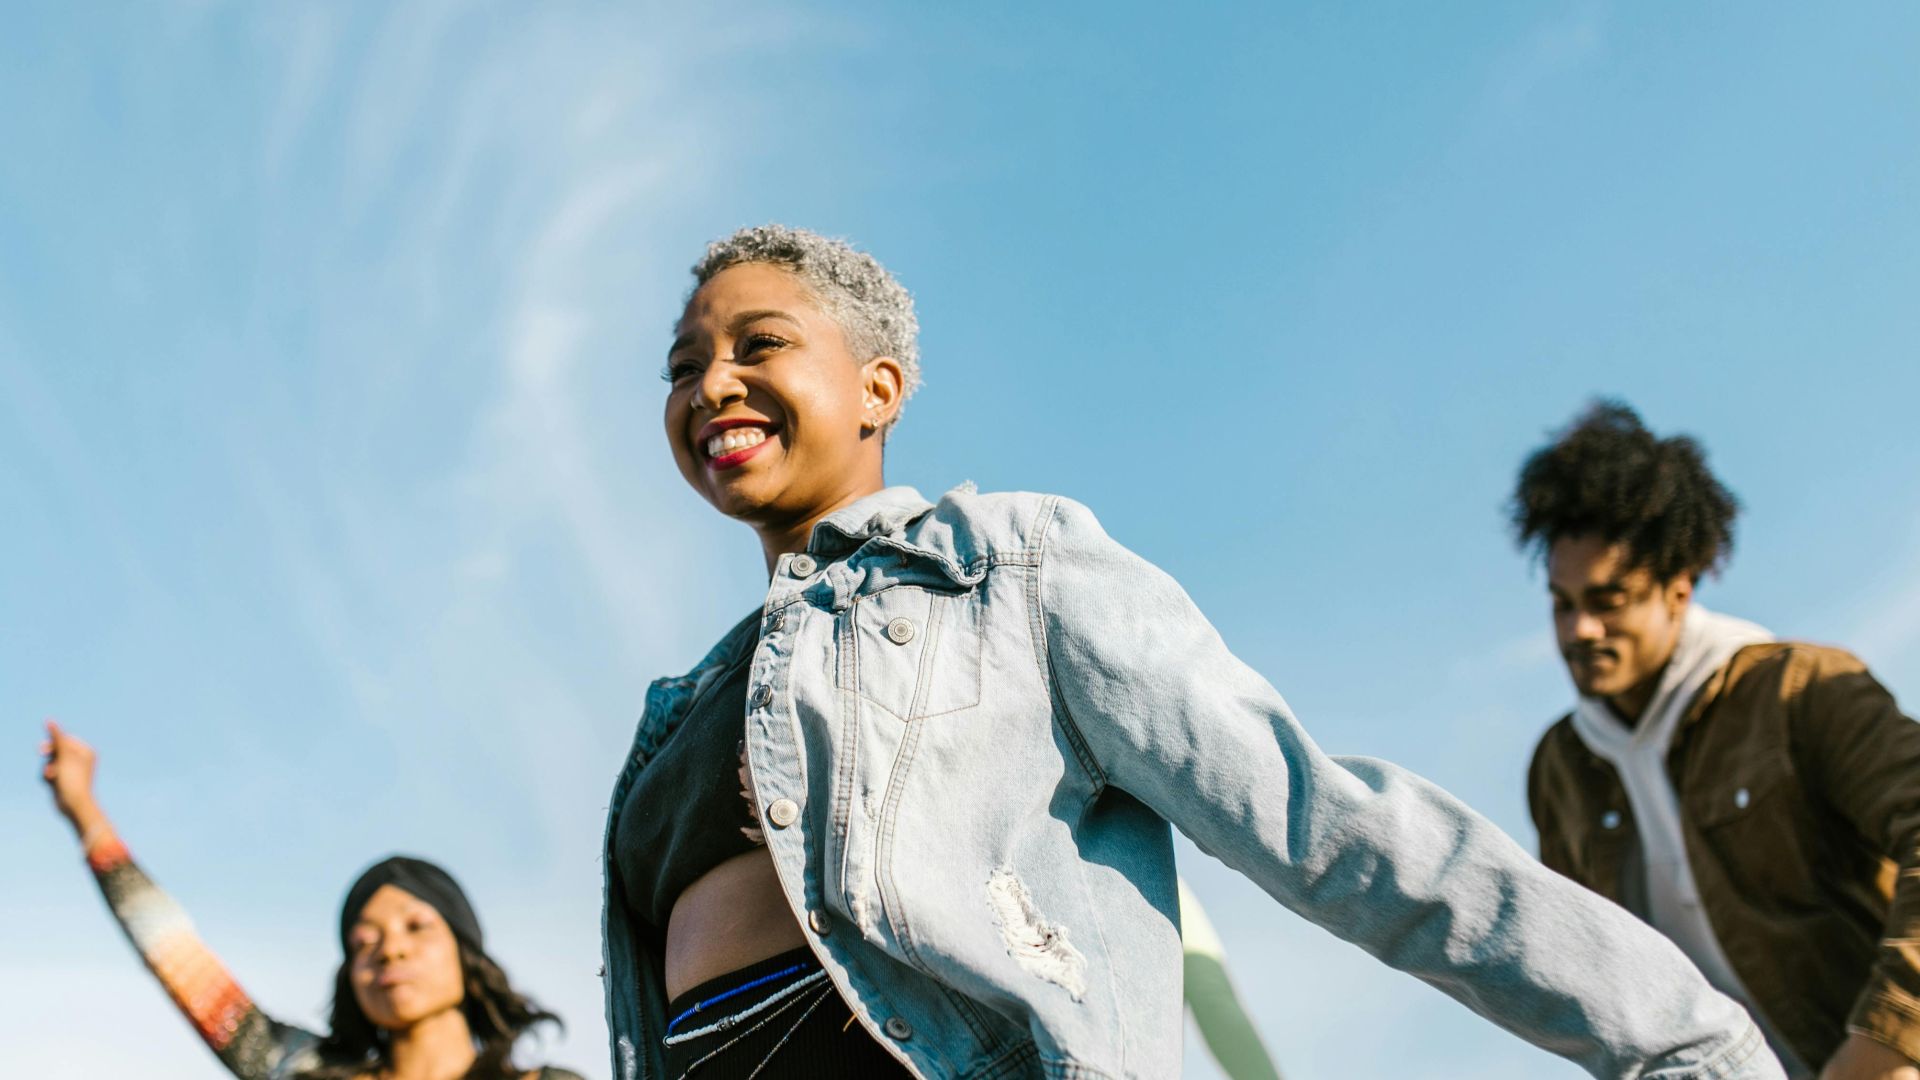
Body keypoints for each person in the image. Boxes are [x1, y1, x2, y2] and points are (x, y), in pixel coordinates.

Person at [601, 223, 1785, 1079]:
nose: (713, 383)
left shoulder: (1009, 572)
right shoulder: (686, 706)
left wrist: (1689, 1045)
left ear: (878, 388)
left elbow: (1326, 827)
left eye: (759, 344)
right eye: (682, 364)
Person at [1512, 402, 1920, 1080]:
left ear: (1678, 590)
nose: (1581, 630)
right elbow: (1584, 983)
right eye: (1564, 602)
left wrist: (1888, 1042)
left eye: (1609, 601)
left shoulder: (1799, 689)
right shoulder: (1561, 771)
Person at [40, 721, 583, 1080]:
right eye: (363, 943)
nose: (389, 952)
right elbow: (176, 954)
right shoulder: (298, 1067)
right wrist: (86, 814)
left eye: (417, 927)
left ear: (467, 956)